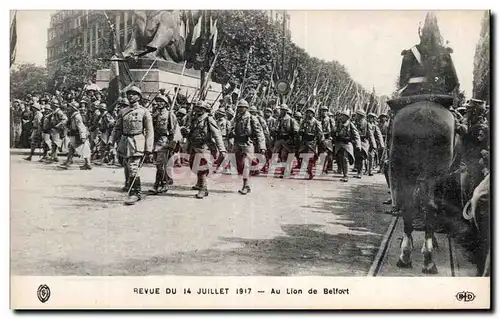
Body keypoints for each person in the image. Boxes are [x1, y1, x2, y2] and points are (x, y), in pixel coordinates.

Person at [109, 86, 154, 205]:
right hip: (124, 141)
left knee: (133, 167)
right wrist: (111, 141)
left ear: (139, 97)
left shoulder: (144, 112)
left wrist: (148, 148)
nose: (130, 96)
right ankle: (130, 187)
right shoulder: (123, 111)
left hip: (137, 141)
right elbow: (117, 128)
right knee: (126, 166)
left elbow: (149, 131)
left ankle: (135, 193)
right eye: (129, 94)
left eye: (134, 94)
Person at [181, 101, 226, 199]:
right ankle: (199, 184)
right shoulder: (194, 119)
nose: (198, 109)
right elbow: (191, 131)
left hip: (204, 147)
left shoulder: (209, 119)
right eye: (197, 107)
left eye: (201, 108)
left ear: (205, 109)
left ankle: (204, 188)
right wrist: (186, 132)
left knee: (202, 168)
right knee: (193, 165)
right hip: (194, 146)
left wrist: (222, 149)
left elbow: (217, 134)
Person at [229, 100, 266, 194]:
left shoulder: (252, 118)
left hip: (247, 143)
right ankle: (247, 184)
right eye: (239, 107)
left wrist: (262, 146)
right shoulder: (236, 118)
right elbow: (231, 128)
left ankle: (245, 186)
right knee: (238, 165)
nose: (240, 109)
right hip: (237, 143)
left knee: (246, 164)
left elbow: (259, 132)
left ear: (246, 108)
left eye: (242, 107)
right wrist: (231, 132)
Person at [149, 95, 179, 195]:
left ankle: (162, 184)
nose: (159, 103)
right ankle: (158, 184)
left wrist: (172, 144)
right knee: (159, 165)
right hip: (156, 141)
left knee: (161, 165)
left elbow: (174, 131)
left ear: (166, 103)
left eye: (161, 101)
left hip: (164, 142)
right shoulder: (155, 115)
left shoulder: (170, 115)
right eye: (157, 101)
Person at [59, 101, 92, 170]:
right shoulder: (73, 115)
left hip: (77, 134)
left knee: (83, 149)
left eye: (70, 107)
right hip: (75, 134)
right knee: (72, 148)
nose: (69, 108)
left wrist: (82, 136)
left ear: (73, 108)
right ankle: (69, 162)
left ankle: (87, 164)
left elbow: (80, 126)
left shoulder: (77, 116)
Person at [272, 104, 299, 178]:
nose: (281, 111)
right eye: (281, 110)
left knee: (287, 157)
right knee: (281, 156)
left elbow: (296, 131)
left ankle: (286, 172)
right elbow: (275, 128)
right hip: (280, 140)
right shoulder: (278, 119)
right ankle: (284, 171)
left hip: (288, 141)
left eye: (283, 110)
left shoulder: (291, 120)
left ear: (286, 111)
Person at [333, 110, 360, 182]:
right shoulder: (338, 124)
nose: (342, 117)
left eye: (344, 116)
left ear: (347, 117)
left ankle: (346, 176)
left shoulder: (350, 124)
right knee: (340, 159)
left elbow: (356, 135)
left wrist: (358, 145)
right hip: (339, 144)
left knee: (345, 159)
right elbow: (334, 132)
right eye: (341, 116)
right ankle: (342, 172)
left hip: (347, 144)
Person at [298, 107, 324, 180]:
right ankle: (308, 171)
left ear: (313, 114)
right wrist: (301, 132)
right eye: (307, 112)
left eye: (310, 113)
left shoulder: (316, 122)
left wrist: (320, 142)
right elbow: (300, 130)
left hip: (312, 142)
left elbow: (320, 133)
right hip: (304, 142)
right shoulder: (304, 121)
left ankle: (310, 172)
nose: (309, 114)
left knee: (310, 158)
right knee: (304, 158)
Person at [352, 109, 376, 178]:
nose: (356, 116)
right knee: (357, 157)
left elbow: (370, 134)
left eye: (357, 115)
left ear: (361, 116)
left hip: (363, 142)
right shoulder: (355, 123)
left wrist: (373, 145)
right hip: (356, 142)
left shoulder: (366, 124)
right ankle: (359, 172)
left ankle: (360, 173)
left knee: (361, 157)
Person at [317, 105, 336, 174]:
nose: (324, 112)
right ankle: (323, 168)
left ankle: (329, 167)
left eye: (325, 111)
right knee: (321, 153)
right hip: (320, 138)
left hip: (328, 138)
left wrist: (332, 137)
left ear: (327, 112)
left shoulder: (330, 120)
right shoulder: (318, 119)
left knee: (329, 154)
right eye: (322, 111)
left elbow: (333, 129)